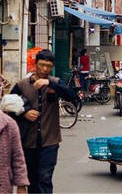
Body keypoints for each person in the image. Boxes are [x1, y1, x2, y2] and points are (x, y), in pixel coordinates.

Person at [11, 50, 77, 193]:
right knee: (32, 181)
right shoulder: (22, 85)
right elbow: (7, 108)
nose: (45, 69)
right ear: (35, 64)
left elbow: (72, 96)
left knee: (45, 179)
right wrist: (24, 113)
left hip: (50, 141)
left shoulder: (56, 82)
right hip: (28, 142)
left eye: (49, 66)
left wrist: (50, 84)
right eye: (42, 65)